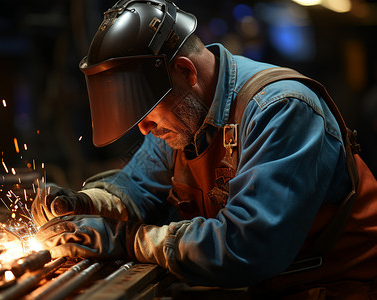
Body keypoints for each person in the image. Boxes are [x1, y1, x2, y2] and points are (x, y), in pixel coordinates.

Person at [32, 0, 377, 298]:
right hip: (269, 288)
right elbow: (137, 188)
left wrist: (127, 240)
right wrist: (86, 204)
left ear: (185, 71)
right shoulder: (182, 116)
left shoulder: (281, 110)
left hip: (344, 286)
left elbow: (248, 247)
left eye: (148, 111)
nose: (144, 128)